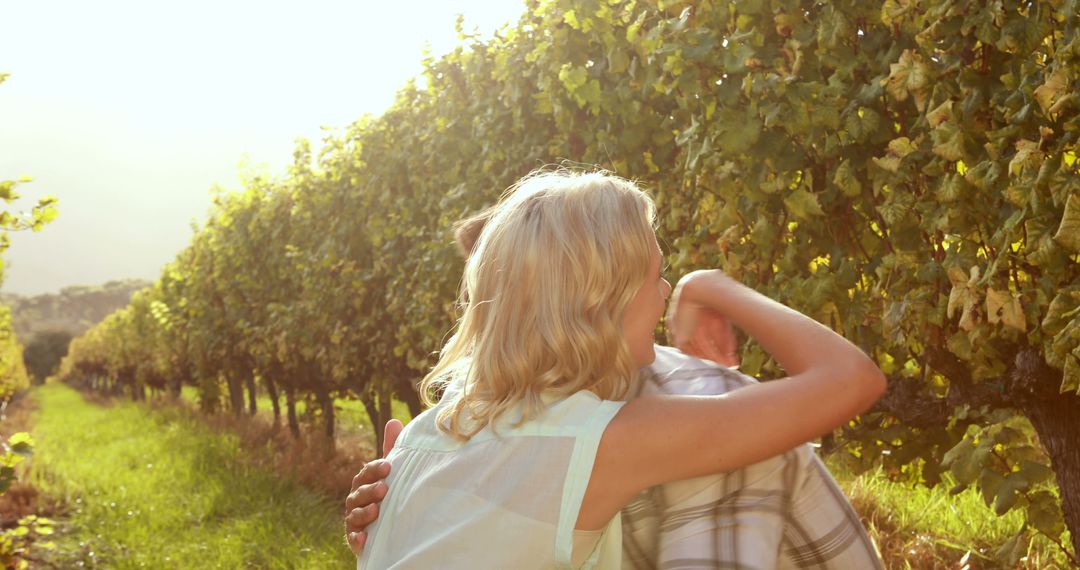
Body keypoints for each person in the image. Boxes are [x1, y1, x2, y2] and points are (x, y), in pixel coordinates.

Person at [351, 169, 886, 569]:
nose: (664, 294)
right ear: (599, 302)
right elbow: (852, 378)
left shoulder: (420, 441)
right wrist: (712, 285)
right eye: (657, 275)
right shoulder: (606, 439)